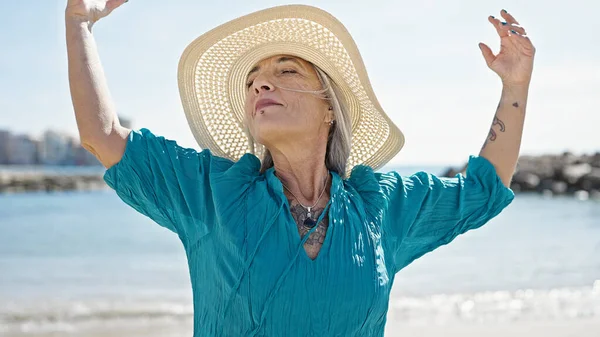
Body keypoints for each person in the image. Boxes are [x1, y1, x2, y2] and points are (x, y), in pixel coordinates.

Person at [65, 1, 535, 336]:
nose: (260, 83)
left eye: (286, 70)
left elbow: (485, 188)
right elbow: (102, 134)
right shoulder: (210, 190)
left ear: (329, 105)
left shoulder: (381, 204)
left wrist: (514, 85)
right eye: (251, 81)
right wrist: (80, 24)